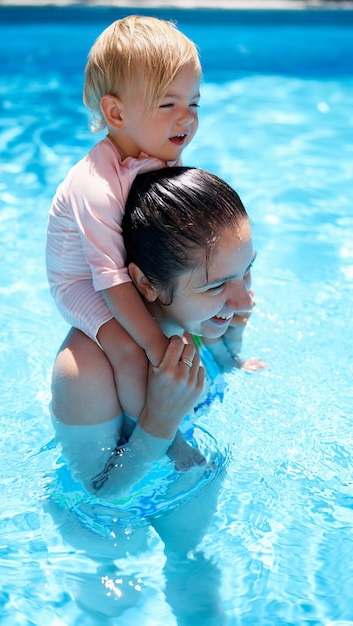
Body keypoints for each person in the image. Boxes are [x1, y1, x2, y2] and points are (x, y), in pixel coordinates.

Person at [49, 166, 257, 623]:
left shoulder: (195, 316)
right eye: (218, 285)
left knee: (194, 568)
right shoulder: (85, 369)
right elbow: (101, 494)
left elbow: (219, 360)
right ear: (145, 283)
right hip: (107, 523)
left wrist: (233, 350)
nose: (244, 300)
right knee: (113, 598)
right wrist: (159, 422)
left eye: (246, 272)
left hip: (179, 482)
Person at [46, 15, 204, 467]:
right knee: (130, 352)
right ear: (116, 114)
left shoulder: (158, 152)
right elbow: (111, 281)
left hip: (118, 270)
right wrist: (156, 348)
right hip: (83, 282)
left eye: (194, 102)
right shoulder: (95, 184)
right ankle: (159, 439)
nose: (187, 118)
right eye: (168, 104)